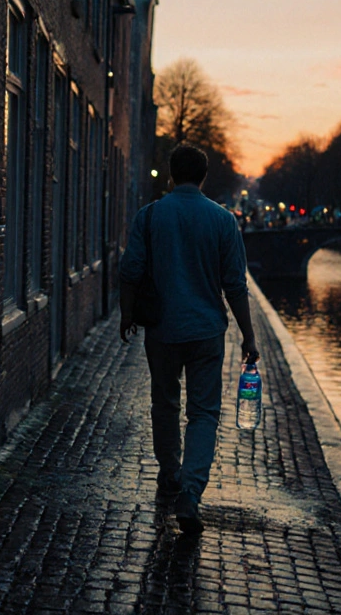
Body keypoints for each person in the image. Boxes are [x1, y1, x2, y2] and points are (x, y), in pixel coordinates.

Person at [118, 144, 260, 536]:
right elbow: (234, 285)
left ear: (169, 174)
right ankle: (191, 493)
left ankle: (169, 474)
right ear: (204, 177)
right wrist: (249, 336)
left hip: (161, 329)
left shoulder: (148, 217)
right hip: (206, 332)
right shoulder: (222, 221)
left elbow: (130, 271)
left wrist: (127, 314)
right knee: (203, 413)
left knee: (163, 402)